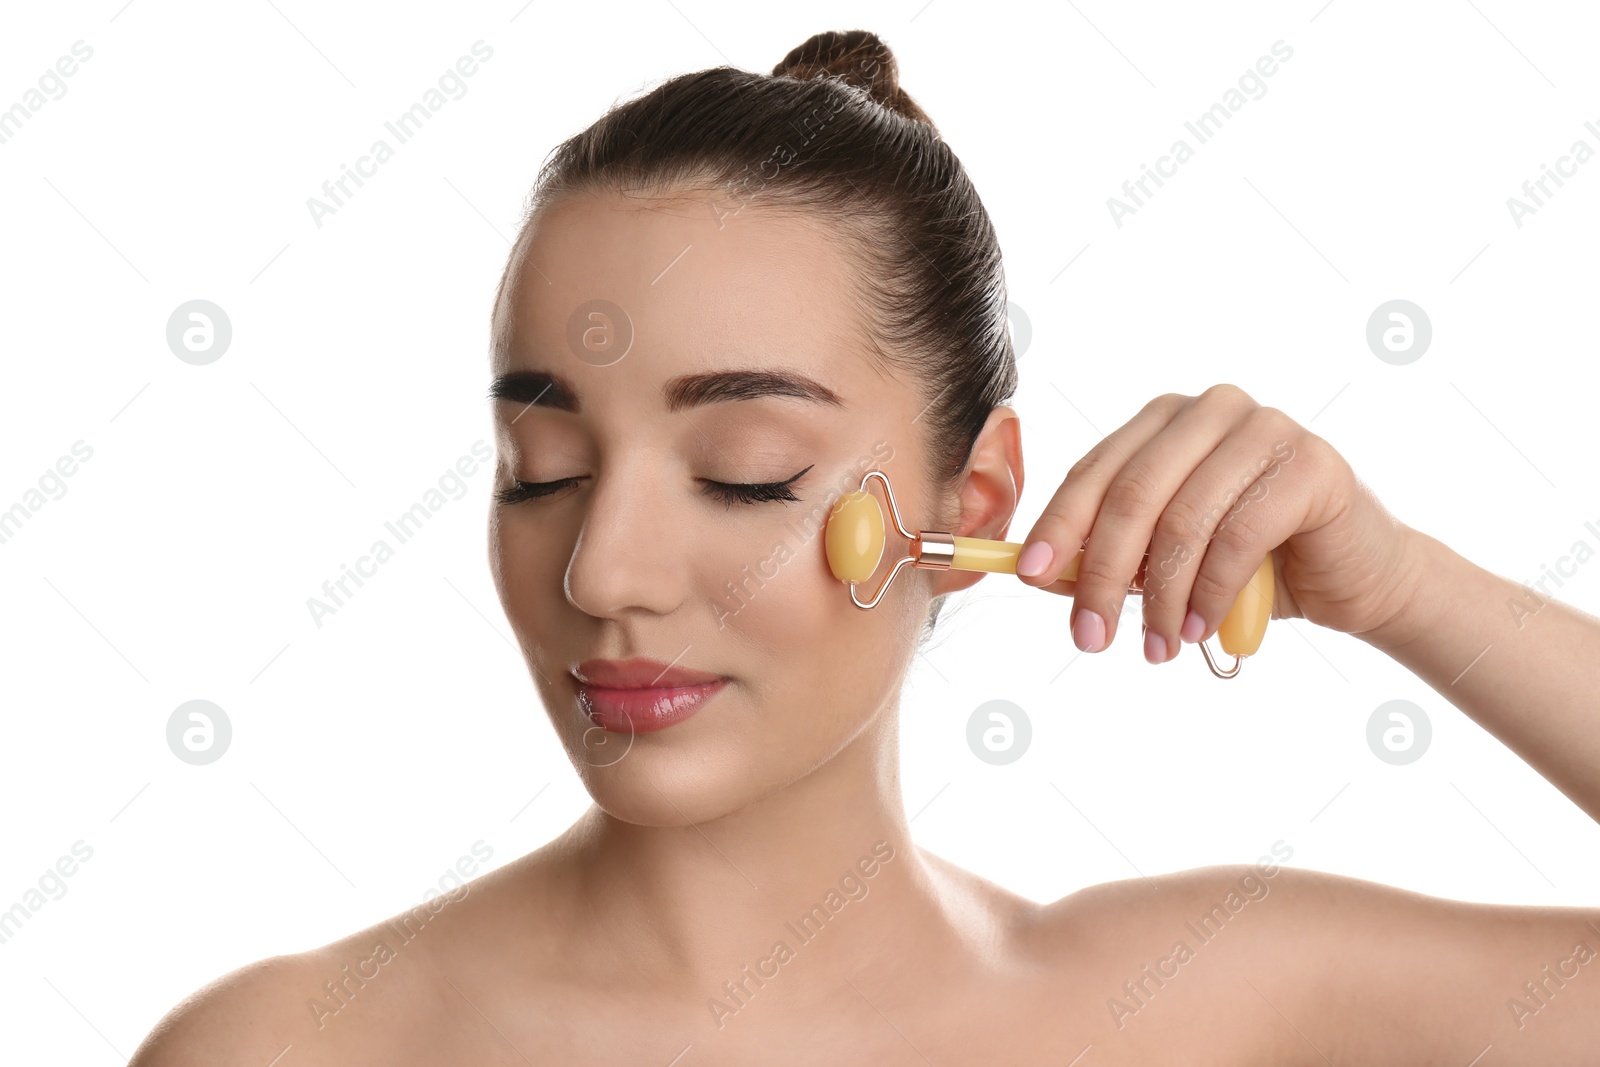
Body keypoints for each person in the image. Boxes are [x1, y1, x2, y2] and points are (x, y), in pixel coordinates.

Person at [130, 28, 1600, 1064]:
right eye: (544, 470)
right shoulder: (282, 1051)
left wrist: (1408, 590)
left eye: (746, 475)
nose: (604, 573)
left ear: (969, 504)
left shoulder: (1189, 1011)